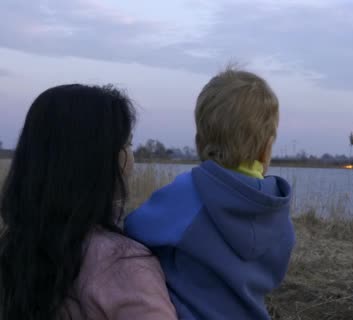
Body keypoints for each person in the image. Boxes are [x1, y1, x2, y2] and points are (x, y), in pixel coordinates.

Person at [125, 67, 295, 319]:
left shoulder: (186, 195)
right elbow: (274, 275)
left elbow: (132, 231)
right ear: (266, 149)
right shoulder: (278, 215)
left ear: (199, 142)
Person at [0, 84, 177, 320]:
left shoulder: (12, 248)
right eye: (128, 144)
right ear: (110, 159)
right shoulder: (123, 265)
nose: (130, 155)